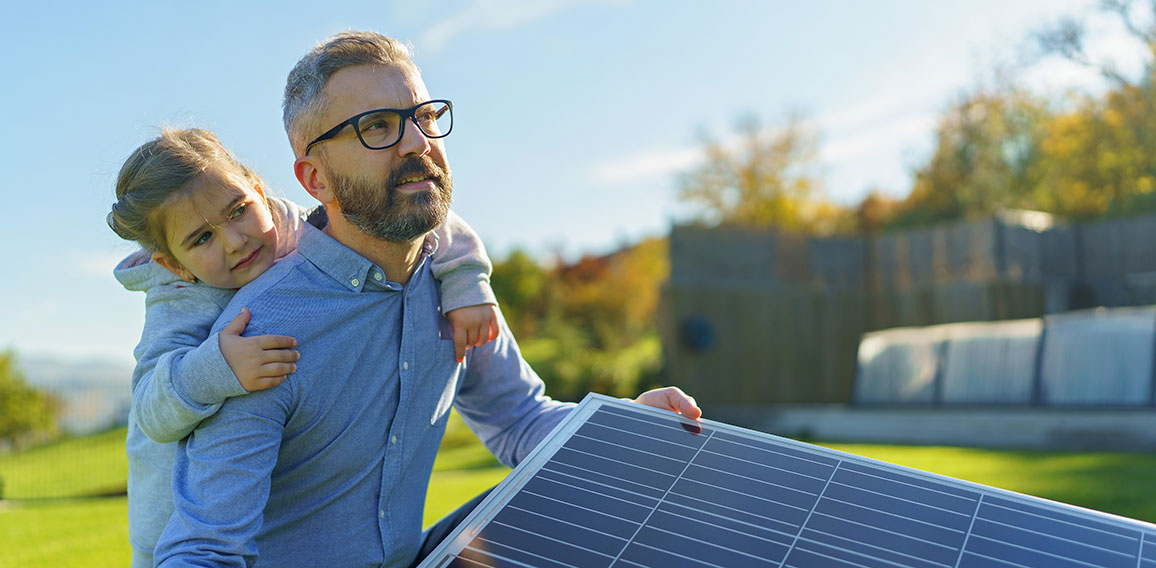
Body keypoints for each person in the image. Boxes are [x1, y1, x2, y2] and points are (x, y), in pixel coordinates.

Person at [153, 30, 701, 567]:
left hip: (416, 558)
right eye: (377, 127)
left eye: (425, 117)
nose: (418, 143)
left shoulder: (453, 284)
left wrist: (619, 427)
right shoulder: (257, 338)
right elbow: (205, 548)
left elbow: (519, 420)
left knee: (601, 495)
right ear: (315, 178)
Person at [108, 128, 501, 567]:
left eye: (239, 210)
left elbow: (431, 220)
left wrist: (467, 282)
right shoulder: (176, 301)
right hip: (175, 533)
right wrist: (215, 367)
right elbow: (150, 409)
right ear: (174, 265)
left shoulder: (299, 227)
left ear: (257, 190)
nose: (235, 240)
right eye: (202, 239)